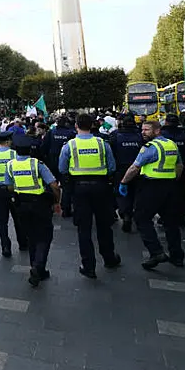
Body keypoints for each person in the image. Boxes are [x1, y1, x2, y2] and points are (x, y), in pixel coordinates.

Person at [58, 114, 121, 278]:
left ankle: (89, 265)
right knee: (104, 225)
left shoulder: (70, 146)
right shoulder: (102, 143)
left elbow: (62, 168)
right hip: (101, 188)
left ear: (76, 126)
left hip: (79, 190)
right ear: (93, 125)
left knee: (83, 228)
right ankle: (109, 258)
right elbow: (112, 166)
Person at [118, 120, 185, 269]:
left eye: (147, 130)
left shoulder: (150, 147)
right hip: (170, 187)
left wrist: (123, 182)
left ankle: (156, 252)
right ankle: (177, 256)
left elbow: (135, 168)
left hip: (152, 187)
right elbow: (179, 165)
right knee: (171, 222)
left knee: (141, 218)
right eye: (142, 129)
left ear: (157, 131)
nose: (143, 132)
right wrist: (174, 179)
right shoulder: (171, 145)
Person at [6, 135, 61, 287]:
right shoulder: (37, 164)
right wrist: (57, 201)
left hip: (21, 205)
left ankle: (35, 267)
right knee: (44, 236)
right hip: (39, 204)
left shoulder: (10, 165)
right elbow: (54, 185)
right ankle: (38, 267)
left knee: (31, 237)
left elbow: (9, 186)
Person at [0, 131, 27, 257]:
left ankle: (5, 247)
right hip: (13, 189)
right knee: (18, 218)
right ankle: (23, 243)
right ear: (8, 141)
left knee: (2, 221)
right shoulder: (14, 154)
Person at [109, 114, 144, 232]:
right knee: (137, 193)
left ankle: (126, 214)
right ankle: (135, 214)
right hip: (139, 169)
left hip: (120, 170)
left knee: (122, 194)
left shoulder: (115, 136)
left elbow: (110, 153)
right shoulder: (140, 136)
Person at [161, 114, 185, 225]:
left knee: (165, 195)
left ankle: (165, 216)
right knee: (182, 193)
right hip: (183, 171)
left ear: (166, 122)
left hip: (164, 172)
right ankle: (181, 216)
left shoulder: (161, 136)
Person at [41, 116, 76, 216]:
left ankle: (50, 207)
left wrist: (46, 159)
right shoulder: (71, 134)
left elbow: (43, 147)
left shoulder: (51, 132)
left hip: (52, 163)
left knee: (50, 185)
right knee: (66, 187)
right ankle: (66, 209)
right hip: (66, 164)